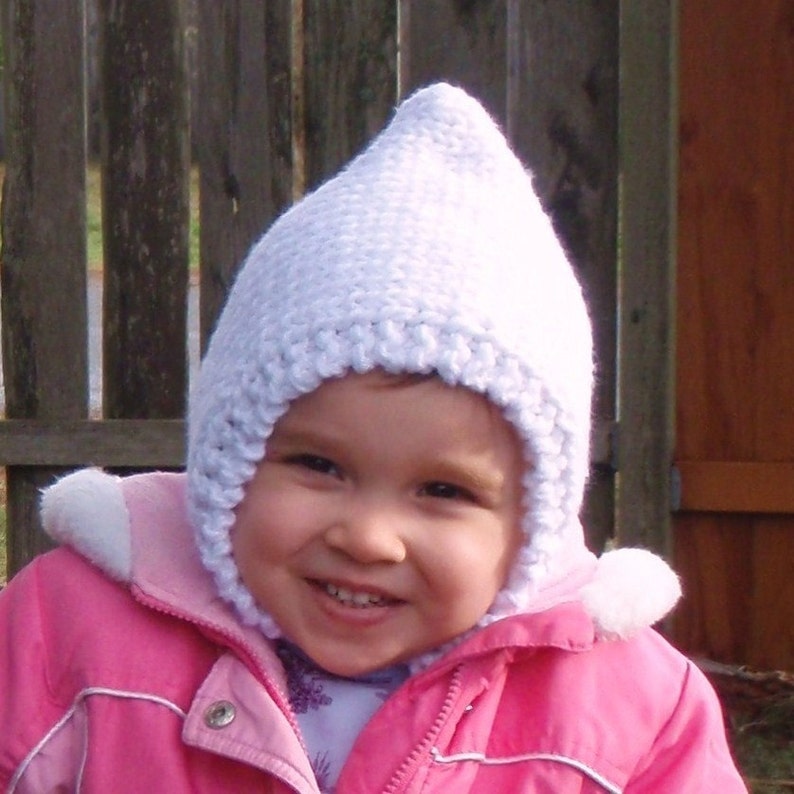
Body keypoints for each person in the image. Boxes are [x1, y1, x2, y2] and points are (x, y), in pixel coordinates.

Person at [0, 83, 746, 793]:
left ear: (530, 527)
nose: (368, 538)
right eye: (320, 465)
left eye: (444, 491)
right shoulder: (68, 635)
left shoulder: (631, 714)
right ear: (230, 462)